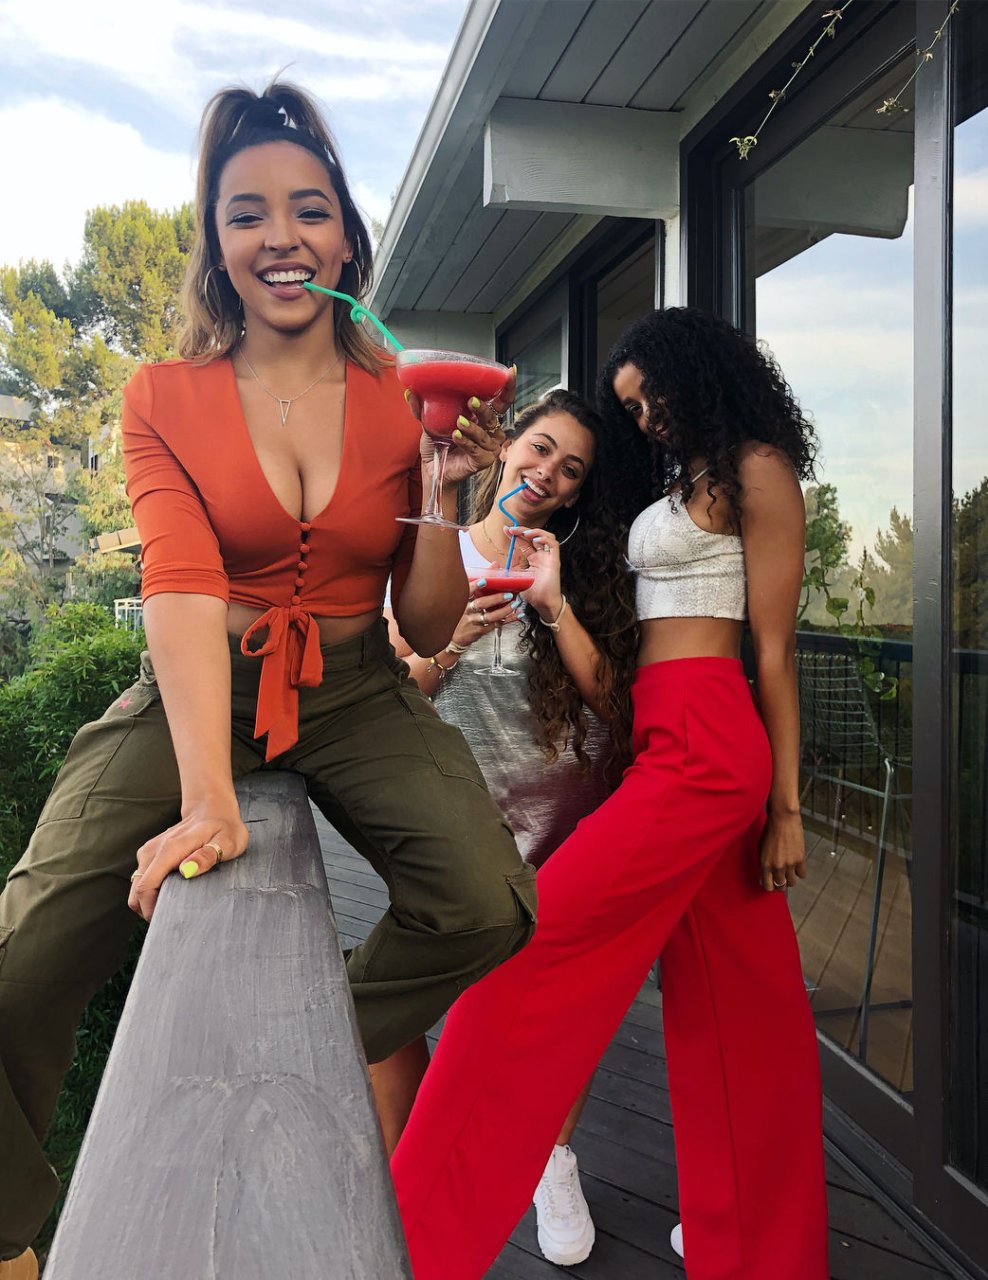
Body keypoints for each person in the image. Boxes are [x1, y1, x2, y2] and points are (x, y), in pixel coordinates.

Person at [0, 81, 535, 1279]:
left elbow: (425, 618)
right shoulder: (161, 396)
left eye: (308, 210)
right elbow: (183, 584)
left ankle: (296, 1039)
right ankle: (7, 1229)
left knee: (488, 898)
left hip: (355, 687)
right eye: (247, 213)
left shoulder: (400, 401)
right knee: (20, 952)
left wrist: (439, 491)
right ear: (216, 240)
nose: (280, 237)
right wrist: (207, 792)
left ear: (345, 238)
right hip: (200, 683)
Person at [391, 306, 830, 1280]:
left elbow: (772, 650)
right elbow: (551, 508)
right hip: (656, 734)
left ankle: (416, 1241)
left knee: (531, 947)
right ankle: (753, 1247)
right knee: (738, 1010)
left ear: (695, 372)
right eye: (631, 408)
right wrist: (490, 467)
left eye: (652, 396)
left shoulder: (757, 467)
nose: (648, 417)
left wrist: (787, 807)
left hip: (707, 745)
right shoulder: (676, 481)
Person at [387, 389, 635, 1265]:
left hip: (567, 817)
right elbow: (391, 696)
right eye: (540, 448)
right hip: (455, 816)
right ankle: (417, 1160)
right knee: (419, 995)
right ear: (506, 447)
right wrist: (451, 637)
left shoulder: (584, 568)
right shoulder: (434, 552)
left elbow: (615, 704)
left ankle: (553, 1159)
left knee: (561, 1004)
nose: (548, 474)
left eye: (571, 470)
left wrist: (555, 605)